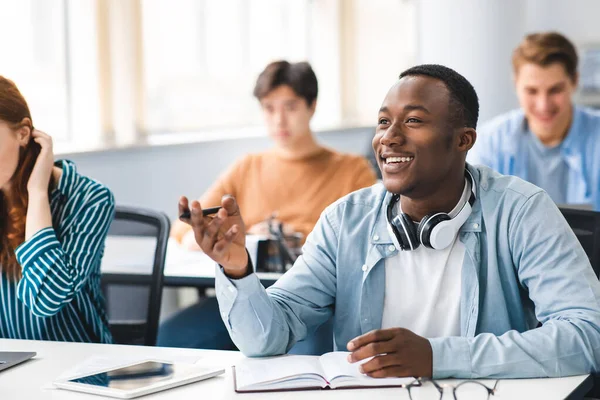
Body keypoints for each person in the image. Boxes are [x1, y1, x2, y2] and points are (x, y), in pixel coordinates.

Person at [180, 64, 600, 379]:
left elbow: (587, 335)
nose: (388, 137)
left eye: (413, 121)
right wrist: (237, 270)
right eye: (384, 122)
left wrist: (438, 357)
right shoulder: (345, 221)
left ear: (463, 140)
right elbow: (264, 338)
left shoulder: (521, 210)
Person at [159, 61, 377, 352]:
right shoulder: (247, 167)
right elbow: (182, 232)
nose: (279, 120)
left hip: (313, 306)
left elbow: (363, 243)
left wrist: (292, 236)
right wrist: (246, 237)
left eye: (290, 107)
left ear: (311, 107)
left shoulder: (352, 170)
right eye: (269, 108)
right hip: (246, 292)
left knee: (298, 363)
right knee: (169, 340)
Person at [0, 76, 115, 343]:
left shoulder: (89, 199)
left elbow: (45, 299)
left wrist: (38, 193)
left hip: (75, 367)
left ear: (23, 133)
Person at [468, 31, 600, 211]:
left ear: (574, 82)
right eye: (532, 91)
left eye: (555, 90)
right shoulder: (490, 143)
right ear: (516, 85)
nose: (543, 105)